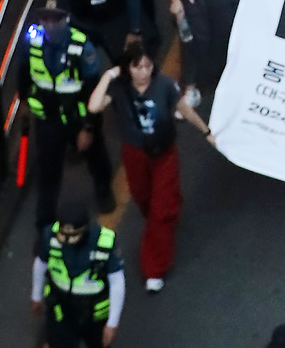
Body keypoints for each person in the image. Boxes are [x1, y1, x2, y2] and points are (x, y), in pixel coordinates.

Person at [87, 42, 212, 292]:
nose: (144, 71)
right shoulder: (119, 89)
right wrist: (108, 75)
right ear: (127, 68)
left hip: (164, 153)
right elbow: (94, 106)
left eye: (147, 65)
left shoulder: (164, 85)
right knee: (143, 198)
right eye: (137, 66)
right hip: (135, 154)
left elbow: (183, 109)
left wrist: (205, 131)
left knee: (160, 210)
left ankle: (154, 267)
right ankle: (162, 221)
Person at [15, 0, 113, 232]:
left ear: (66, 19)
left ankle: (103, 188)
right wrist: (24, 102)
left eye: (55, 19)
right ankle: (45, 223)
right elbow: (24, 73)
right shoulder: (32, 43)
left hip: (77, 117)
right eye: (45, 19)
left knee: (95, 155)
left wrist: (88, 128)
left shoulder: (82, 48)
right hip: (48, 119)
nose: (49, 24)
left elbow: (92, 91)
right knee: (48, 171)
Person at [32, 203, 125, 347]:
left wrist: (112, 323)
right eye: (63, 234)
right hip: (61, 310)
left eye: (72, 235)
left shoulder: (104, 243)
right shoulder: (50, 235)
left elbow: (117, 282)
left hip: (94, 316)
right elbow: (40, 264)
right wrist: (36, 295)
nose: (67, 240)